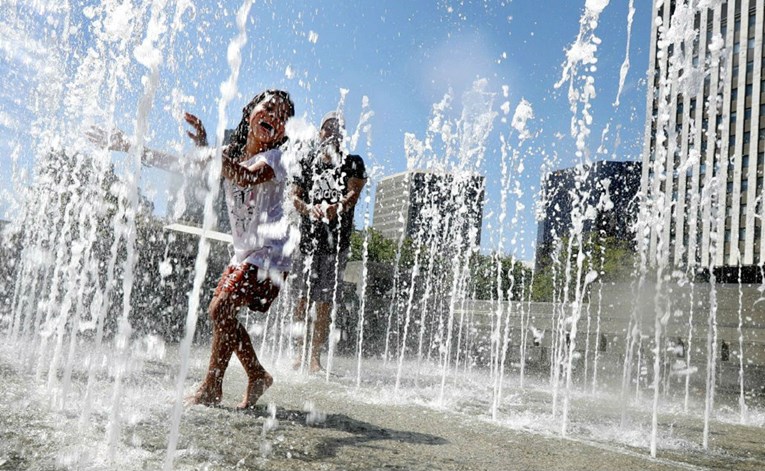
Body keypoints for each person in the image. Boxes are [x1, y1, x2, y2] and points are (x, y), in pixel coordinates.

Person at [88, 90, 296, 409]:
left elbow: (245, 176)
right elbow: (179, 164)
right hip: (246, 254)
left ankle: (213, 388)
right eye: (268, 107)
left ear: (282, 132)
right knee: (223, 312)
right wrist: (128, 144)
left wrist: (209, 153)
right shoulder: (231, 152)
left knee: (221, 308)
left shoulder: (273, 160)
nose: (274, 116)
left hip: (272, 255)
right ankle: (256, 375)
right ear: (249, 112)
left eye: (281, 116)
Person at [291, 111, 367, 372]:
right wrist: (308, 208)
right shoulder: (307, 162)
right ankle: (298, 353)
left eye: (338, 127)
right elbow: (294, 197)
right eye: (327, 127)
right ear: (319, 132)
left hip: (336, 245)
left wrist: (339, 207)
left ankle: (314, 357)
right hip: (308, 244)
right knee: (302, 299)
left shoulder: (353, 163)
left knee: (324, 302)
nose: (332, 131)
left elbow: (353, 194)